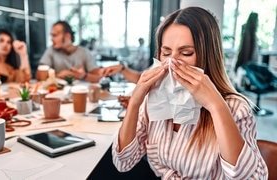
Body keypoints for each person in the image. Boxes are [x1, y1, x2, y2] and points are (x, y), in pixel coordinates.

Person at [112, 7, 268, 179]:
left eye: (186, 53)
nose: (172, 62)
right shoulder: (154, 101)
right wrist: (135, 102)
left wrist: (216, 106)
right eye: (166, 53)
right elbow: (123, 163)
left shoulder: (235, 109)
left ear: (208, 56)